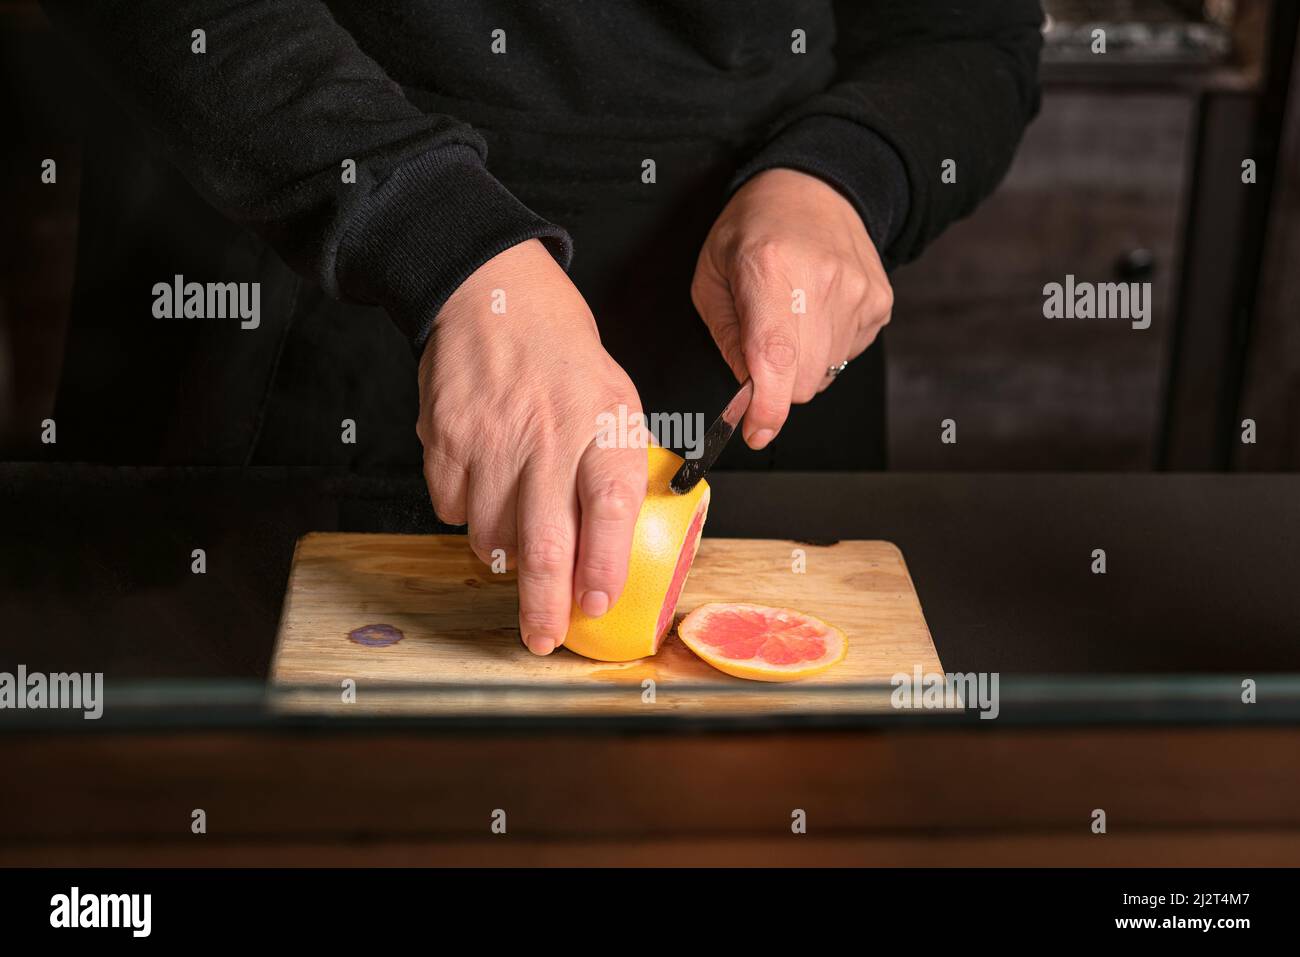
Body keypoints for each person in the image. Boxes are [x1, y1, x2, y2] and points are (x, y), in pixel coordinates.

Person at [44, 1, 1043, 654]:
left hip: (755, 366)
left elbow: (966, 35)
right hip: (297, 301)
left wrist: (844, 177)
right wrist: (437, 237)